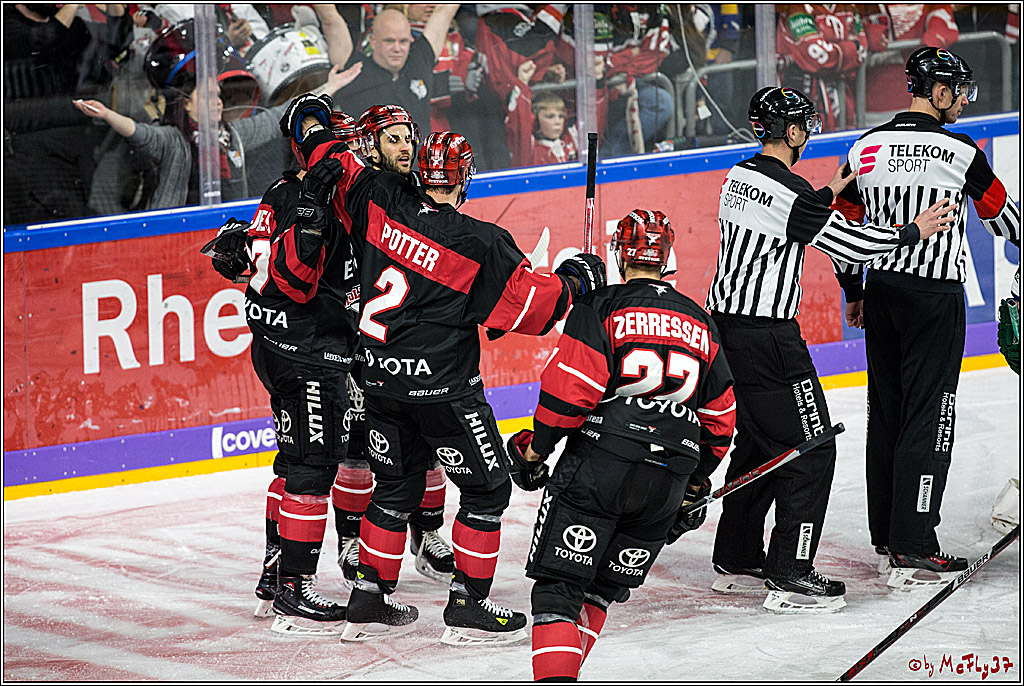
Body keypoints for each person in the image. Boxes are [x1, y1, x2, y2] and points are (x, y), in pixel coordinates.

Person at [288, 95, 606, 643]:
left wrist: (321, 123)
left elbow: (325, 154)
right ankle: (467, 603)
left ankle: (368, 596)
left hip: (379, 381)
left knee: (393, 489)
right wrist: (579, 277)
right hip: (444, 392)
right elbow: (535, 311)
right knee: (487, 491)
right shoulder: (481, 242)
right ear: (464, 179)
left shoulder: (374, 196)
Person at [706, 86, 958, 612]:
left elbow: (781, 214)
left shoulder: (741, 177)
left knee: (759, 444)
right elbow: (852, 245)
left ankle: (736, 558)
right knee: (813, 448)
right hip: (769, 336)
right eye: (805, 127)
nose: (807, 136)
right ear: (793, 132)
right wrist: (915, 230)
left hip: (726, 330)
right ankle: (791, 571)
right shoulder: (792, 194)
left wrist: (823, 195)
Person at [507, 209, 736, 681]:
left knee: (558, 590)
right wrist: (695, 484)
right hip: (669, 475)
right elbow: (720, 419)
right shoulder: (700, 320)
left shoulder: (602, 306)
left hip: (602, 463)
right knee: (599, 593)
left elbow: (569, 393)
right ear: (667, 257)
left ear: (619, 253)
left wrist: (536, 451)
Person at [833, 48, 1020, 589]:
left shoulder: (865, 146)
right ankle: (916, 542)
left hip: (884, 291)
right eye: (958, 90)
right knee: (930, 414)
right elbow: (1003, 218)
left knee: (886, 410)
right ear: (936, 91)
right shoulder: (960, 149)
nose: (962, 99)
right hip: (934, 297)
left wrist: (855, 289)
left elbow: (843, 224)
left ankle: (888, 539)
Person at [202, 109, 366, 636]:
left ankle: (275, 576)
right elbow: (294, 279)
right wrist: (316, 214)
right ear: (309, 149)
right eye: (337, 145)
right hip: (307, 349)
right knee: (315, 465)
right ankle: (295, 588)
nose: (347, 155)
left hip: (277, 343)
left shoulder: (278, 191)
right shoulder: (310, 196)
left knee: (294, 459)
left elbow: (253, 267)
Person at [330, 104, 457, 588]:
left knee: (428, 444)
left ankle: (427, 537)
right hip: (356, 335)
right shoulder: (355, 193)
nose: (405, 147)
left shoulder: (420, 191)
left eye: (409, 137)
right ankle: (349, 539)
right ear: (369, 146)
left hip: (408, 337)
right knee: (358, 448)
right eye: (393, 139)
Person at [72, 65, 358, 209]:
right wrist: (108, 115)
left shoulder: (234, 135)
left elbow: (278, 116)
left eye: (219, 96)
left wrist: (329, 86)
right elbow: (140, 132)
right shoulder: (174, 140)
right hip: (177, 230)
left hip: (227, 225)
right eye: (209, 96)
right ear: (186, 104)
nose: (218, 101)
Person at [327, 5, 461, 137]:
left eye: (403, 41)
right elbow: (329, 18)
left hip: (418, 157)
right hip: (365, 157)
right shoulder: (353, 70)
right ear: (373, 41)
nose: (397, 49)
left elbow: (445, 10)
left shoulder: (420, 59)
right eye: (389, 41)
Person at [776, 3, 868, 131]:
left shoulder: (848, 7)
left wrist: (835, 52)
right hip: (802, 97)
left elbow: (862, 48)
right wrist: (849, 49)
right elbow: (818, 57)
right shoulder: (797, 8)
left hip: (842, 100)